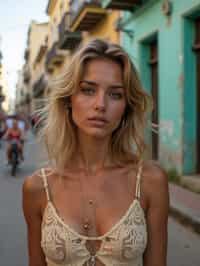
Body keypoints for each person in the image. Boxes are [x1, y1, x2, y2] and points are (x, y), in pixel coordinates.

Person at [22, 39, 169, 266]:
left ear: (126, 107)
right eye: (88, 90)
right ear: (69, 99)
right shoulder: (37, 188)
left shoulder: (150, 181)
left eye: (115, 94)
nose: (101, 104)